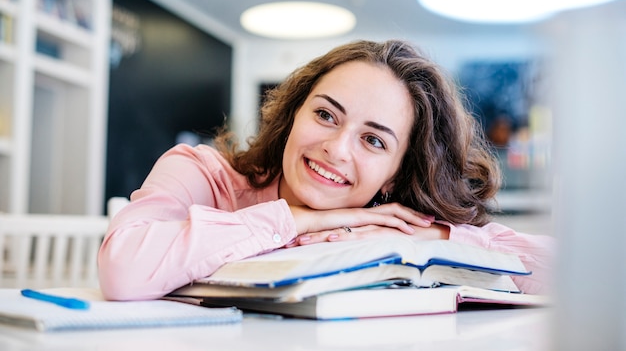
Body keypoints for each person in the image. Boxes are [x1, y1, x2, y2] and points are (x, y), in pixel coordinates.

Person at [98, 39, 553, 301]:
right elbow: (123, 271)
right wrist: (297, 220)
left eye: (373, 140)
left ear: (395, 173)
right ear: (294, 114)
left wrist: (429, 237)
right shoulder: (201, 172)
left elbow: (577, 277)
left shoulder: (394, 227)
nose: (336, 148)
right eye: (325, 115)